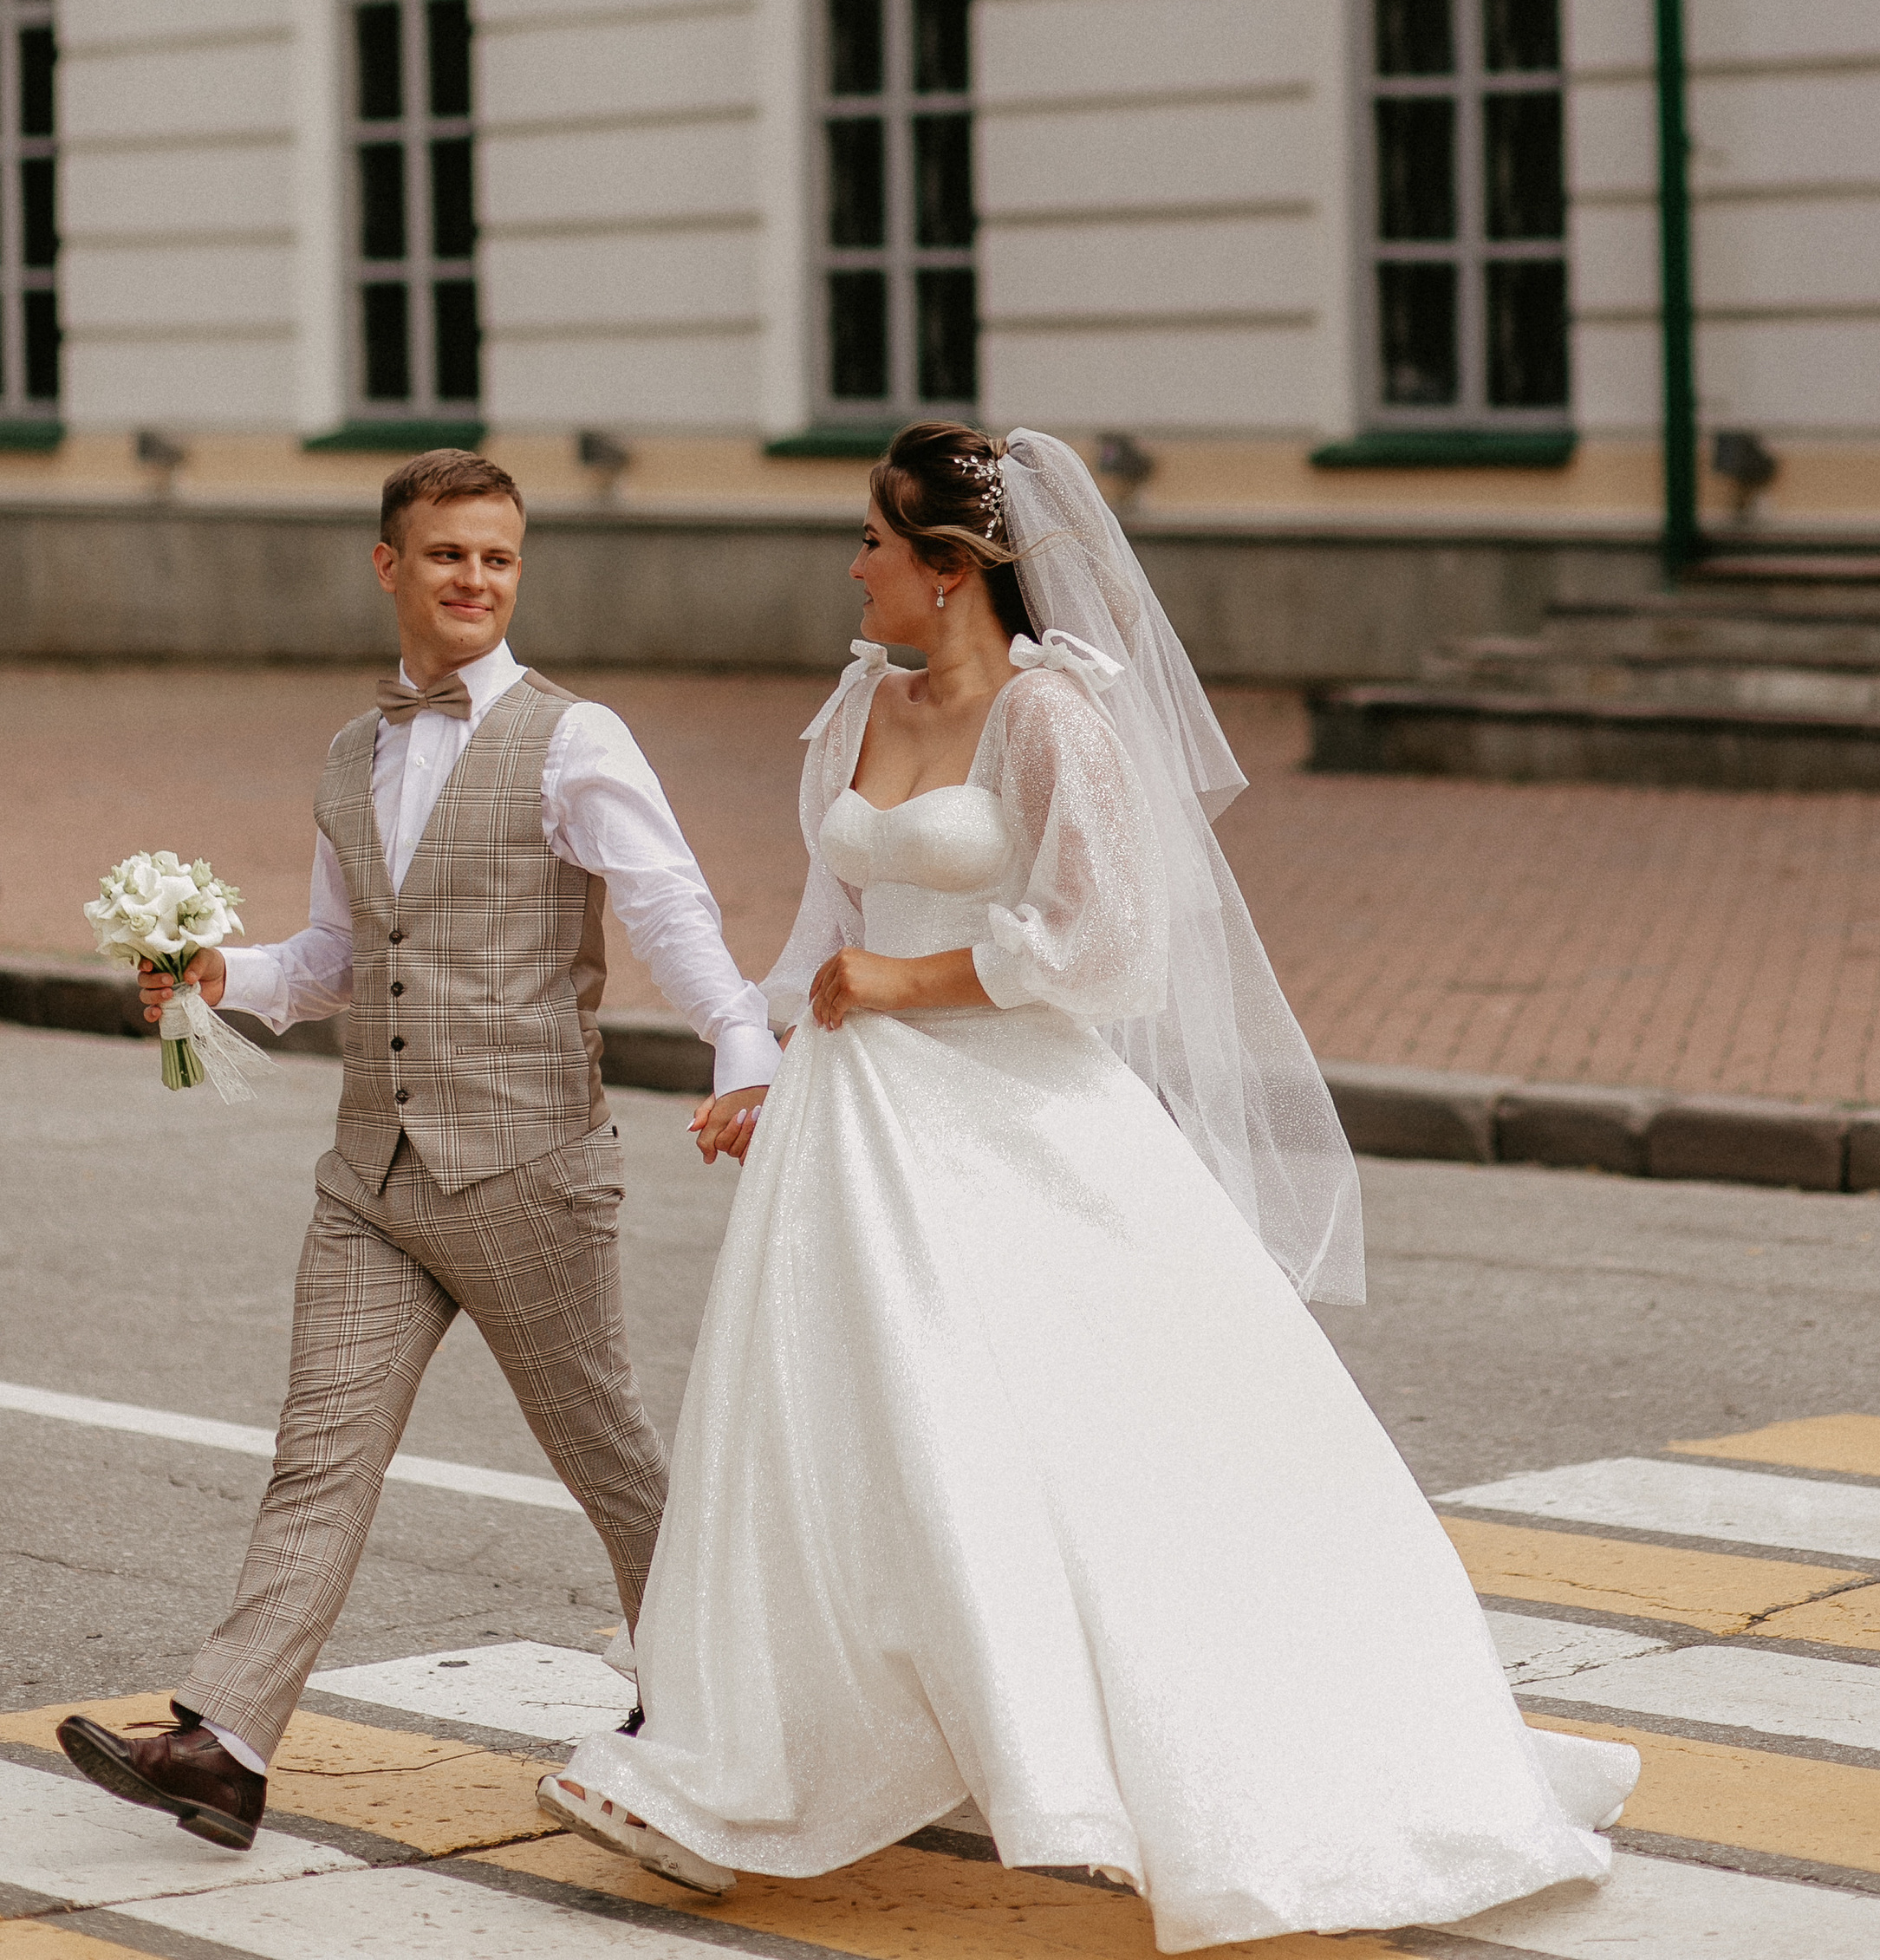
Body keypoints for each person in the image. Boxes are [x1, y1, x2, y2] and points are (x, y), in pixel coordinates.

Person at [546, 421, 1635, 1951]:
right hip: (858, 1124)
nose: (847, 567)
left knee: (1062, 1440)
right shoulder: (862, 698)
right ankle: (751, 1762)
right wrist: (769, 1067)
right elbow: (826, 910)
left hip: (1017, 1119)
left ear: (947, 570)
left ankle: (1119, 1747)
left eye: (871, 541)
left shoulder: (1056, 719)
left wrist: (909, 977)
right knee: (838, 1434)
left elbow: (1110, 949)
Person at [57, 446, 779, 1854]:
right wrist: (221, 976)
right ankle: (226, 1743)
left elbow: (668, 904)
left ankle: (724, 1707)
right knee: (318, 1460)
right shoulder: (355, 749)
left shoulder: (576, 738)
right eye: (448, 554)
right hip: (374, 1176)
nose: (475, 580)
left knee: (614, 1463)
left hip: (525, 1170)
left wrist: (738, 1044)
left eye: (499, 558)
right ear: (390, 565)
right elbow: (337, 955)